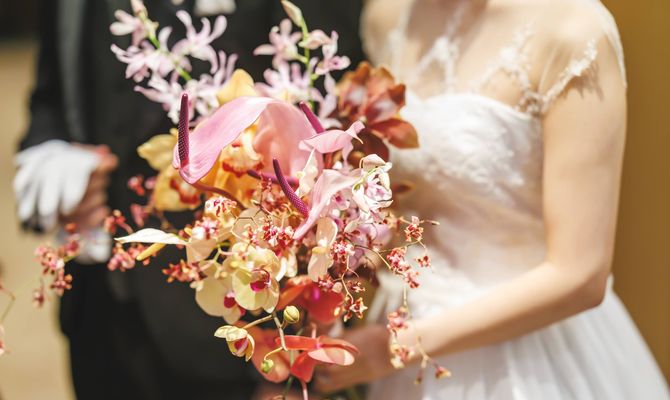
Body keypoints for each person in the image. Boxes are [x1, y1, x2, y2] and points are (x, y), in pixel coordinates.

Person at [315, 0, 670, 398]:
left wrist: (396, 347)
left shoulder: (573, 32)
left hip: (529, 353)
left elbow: (581, 276)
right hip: (397, 332)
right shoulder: (390, 15)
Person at [14, 0, 363, 399]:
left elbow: (337, 132)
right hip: (103, 325)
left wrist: (294, 361)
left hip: (242, 344)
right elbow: (52, 100)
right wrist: (54, 169)